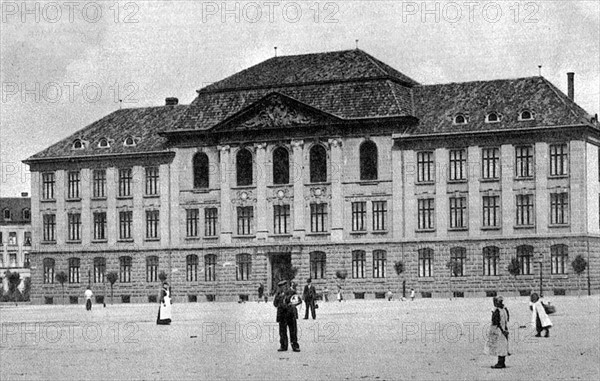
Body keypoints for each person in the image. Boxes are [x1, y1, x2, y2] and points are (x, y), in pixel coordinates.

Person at [273, 280, 300, 352]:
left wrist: (293, 304)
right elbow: (275, 304)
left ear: (286, 286)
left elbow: (299, 300)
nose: (283, 288)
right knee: (282, 332)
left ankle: (295, 346)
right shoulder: (278, 294)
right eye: (281, 287)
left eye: (284, 286)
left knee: (293, 331)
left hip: (290, 314)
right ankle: (283, 346)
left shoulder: (292, 292)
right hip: (282, 315)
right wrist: (279, 300)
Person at [485, 296, 510, 369]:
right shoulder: (504, 310)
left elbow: (495, 322)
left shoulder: (497, 311)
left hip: (500, 330)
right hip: (504, 329)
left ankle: (500, 363)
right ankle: (502, 362)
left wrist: (501, 330)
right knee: (503, 346)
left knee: (500, 346)